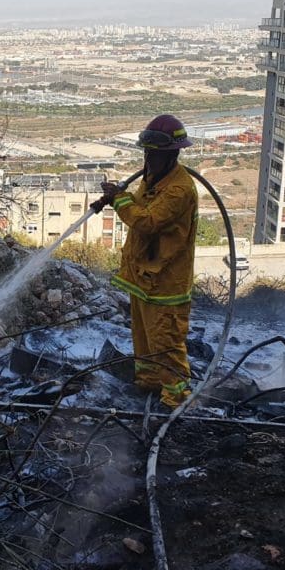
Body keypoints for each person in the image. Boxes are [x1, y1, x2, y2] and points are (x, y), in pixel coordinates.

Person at [90, 114, 198, 408]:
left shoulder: (179, 189)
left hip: (166, 281)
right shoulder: (154, 179)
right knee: (144, 337)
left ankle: (175, 397)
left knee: (166, 341)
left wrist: (120, 200)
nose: (148, 158)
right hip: (145, 276)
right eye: (146, 151)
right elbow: (141, 206)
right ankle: (149, 382)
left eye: (155, 153)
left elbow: (148, 222)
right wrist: (120, 196)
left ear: (172, 153)